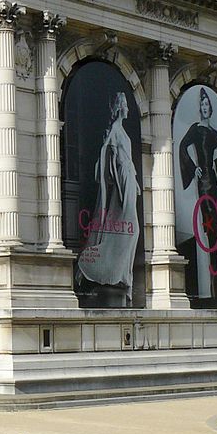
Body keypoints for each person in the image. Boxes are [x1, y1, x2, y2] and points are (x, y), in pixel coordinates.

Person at [76, 91, 141, 305]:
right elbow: (107, 156)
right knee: (130, 230)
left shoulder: (121, 129)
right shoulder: (115, 130)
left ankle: (126, 277)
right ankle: (121, 277)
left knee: (132, 231)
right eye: (125, 104)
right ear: (120, 107)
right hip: (123, 180)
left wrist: (134, 182)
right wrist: (117, 185)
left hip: (130, 178)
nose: (128, 108)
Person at [178, 88, 217, 299]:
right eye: (203, 105)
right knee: (208, 224)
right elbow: (182, 147)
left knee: (215, 227)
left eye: (208, 105)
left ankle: (215, 275)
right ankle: (211, 277)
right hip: (203, 182)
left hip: (213, 185)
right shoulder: (195, 129)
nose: (205, 107)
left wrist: (216, 167)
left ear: (210, 108)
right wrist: (194, 168)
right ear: (199, 108)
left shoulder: (214, 133)